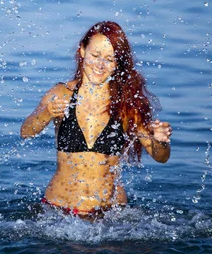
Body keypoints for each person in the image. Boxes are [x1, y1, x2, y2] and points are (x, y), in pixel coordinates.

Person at [20, 21, 172, 218]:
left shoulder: (125, 104)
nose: (100, 65)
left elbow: (161, 157)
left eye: (109, 59)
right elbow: (26, 131)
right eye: (95, 56)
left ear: (118, 63)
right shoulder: (61, 93)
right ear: (82, 51)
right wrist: (47, 113)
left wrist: (160, 141)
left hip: (110, 216)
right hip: (59, 212)